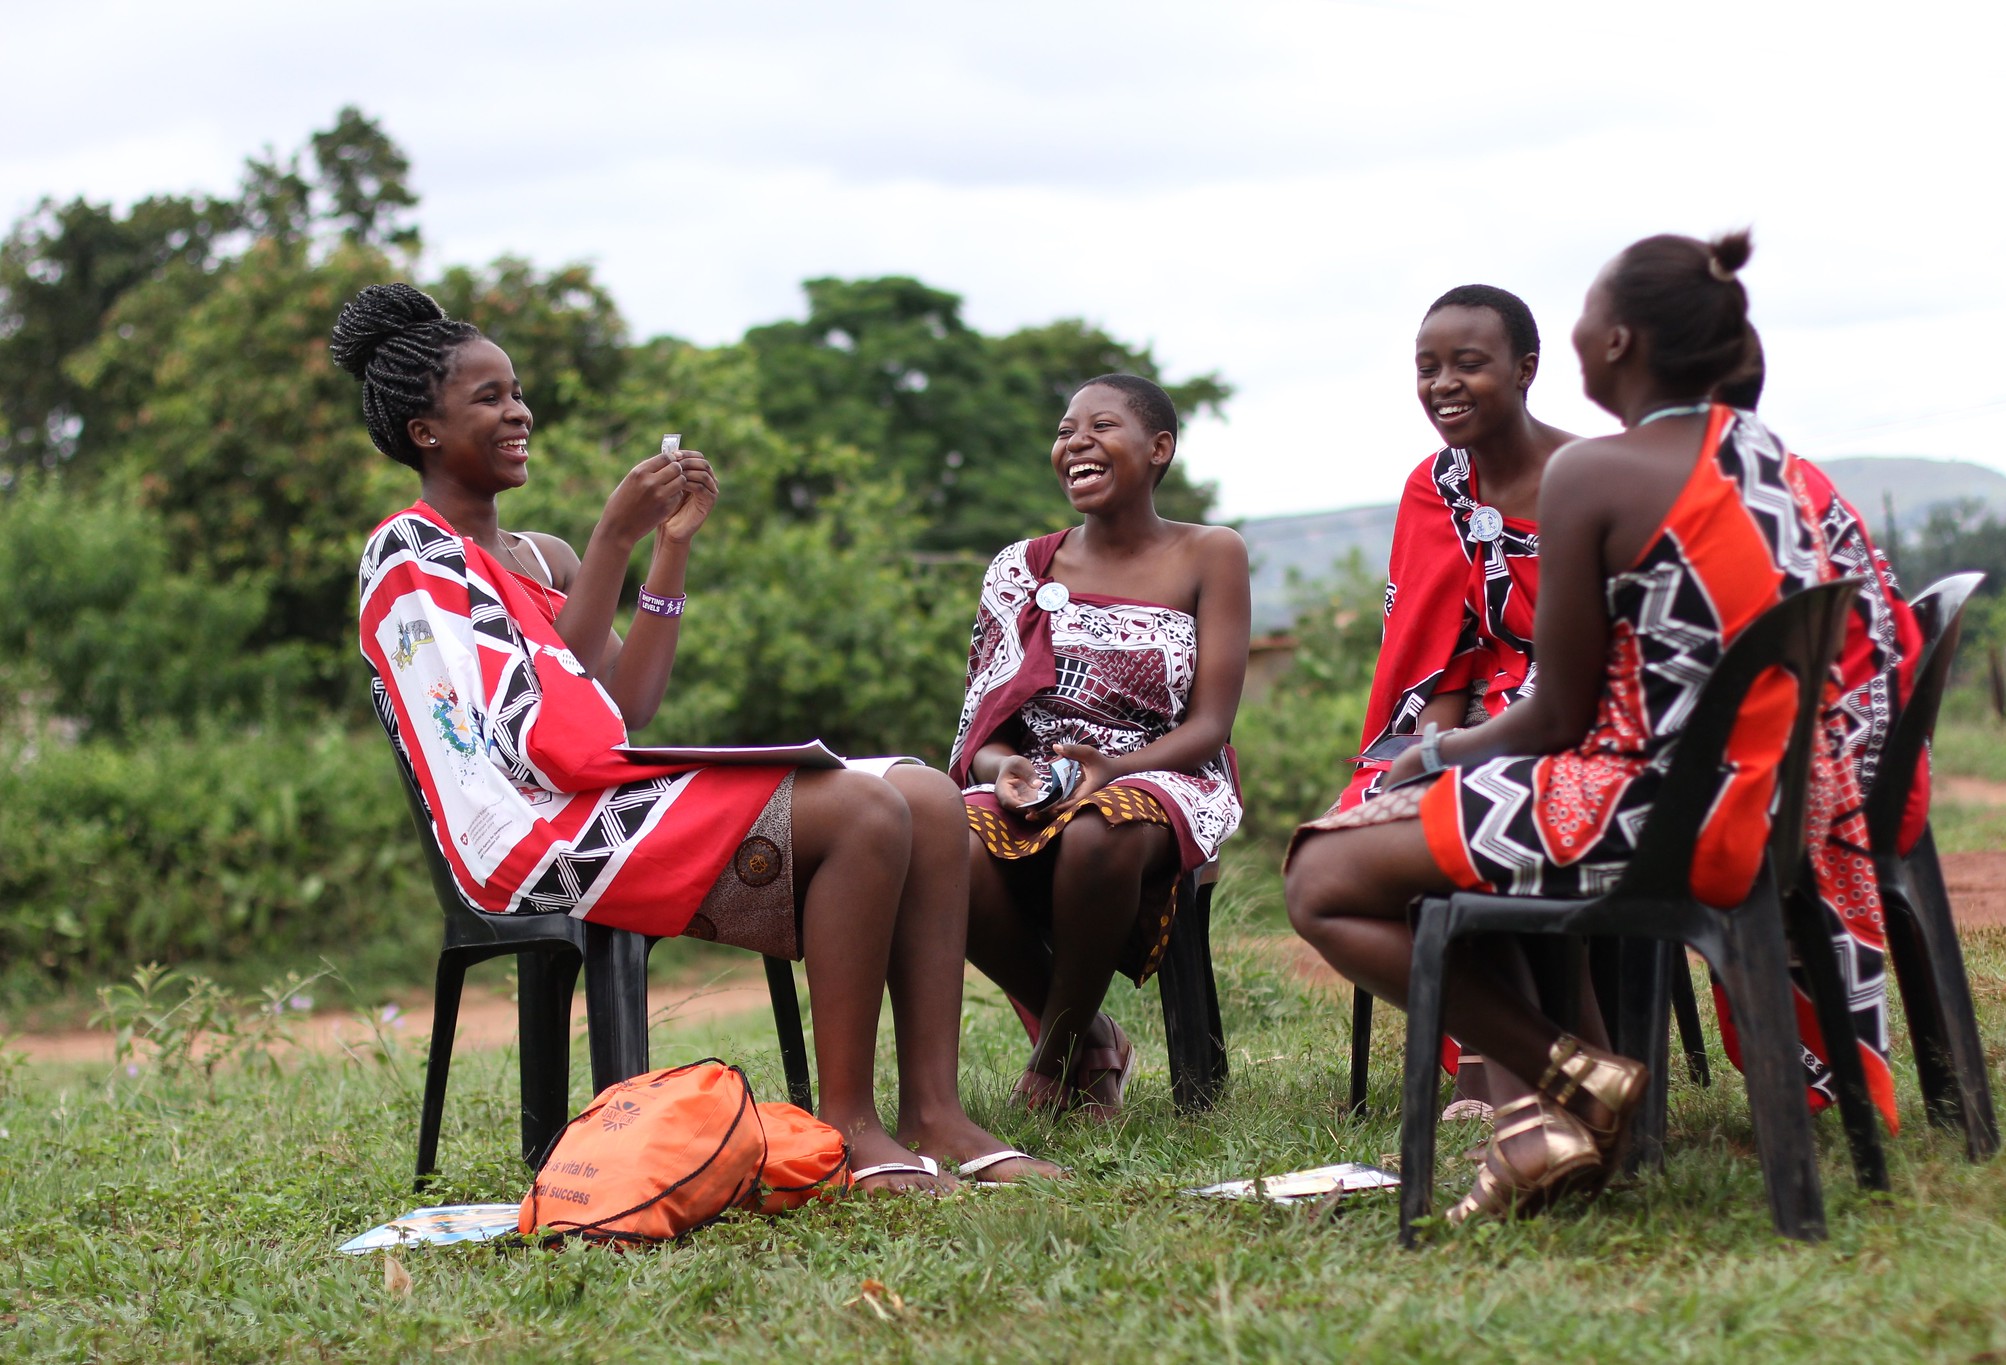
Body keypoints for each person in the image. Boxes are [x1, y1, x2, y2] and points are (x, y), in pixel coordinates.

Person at [336, 282, 1059, 1191]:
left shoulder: (536, 556)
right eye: (489, 397)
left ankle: (936, 1111)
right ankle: (847, 1127)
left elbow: (624, 697)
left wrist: (666, 545)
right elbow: (537, 728)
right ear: (423, 431)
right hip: (532, 829)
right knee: (868, 810)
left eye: (517, 390)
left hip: (593, 789)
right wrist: (612, 536)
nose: (519, 410)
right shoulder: (412, 553)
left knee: (926, 796)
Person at [1286, 229, 1877, 1223]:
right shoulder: (1764, 458)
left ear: (1615, 344)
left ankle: (1570, 1076)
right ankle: (1552, 1110)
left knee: (1321, 873)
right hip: (1758, 802)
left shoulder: (1590, 475)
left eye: (1585, 317)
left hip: (1649, 811)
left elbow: (1552, 716)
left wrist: (1427, 754)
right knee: (1449, 824)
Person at [950, 374, 1250, 1117]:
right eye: (1063, 430)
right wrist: (1007, 769)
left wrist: (1114, 768)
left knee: (1096, 828)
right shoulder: (1020, 568)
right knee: (939, 837)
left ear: (1159, 448)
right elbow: (980, 732)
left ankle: (1056, 1057)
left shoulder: (1211, 553)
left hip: (1168, 768)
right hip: (1043, 776)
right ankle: (1095, 1040)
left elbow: (1210, 725)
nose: (1074, 442)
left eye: (1100, 425)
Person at [1339, 285, 1579, 1118]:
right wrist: (1429, 749)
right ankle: (1507, 1049)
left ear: (1525, 370)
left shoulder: (1587, 477)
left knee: (1476, 803)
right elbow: (1437, 651)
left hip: (1578, 714)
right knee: (1374, 812)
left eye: (1467, 364)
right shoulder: (1437, 486)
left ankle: (1502, 1074)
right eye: (1427, 367)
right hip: (1477, 713)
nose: (1443, 384)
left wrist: (1459, 755)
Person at [1712, 331, 1924, 1123]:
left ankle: (1575, 1080)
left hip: (1830, 787)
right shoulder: (1788, 476)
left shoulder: (1724, 500)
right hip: (1876, 758)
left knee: (1648, 811)